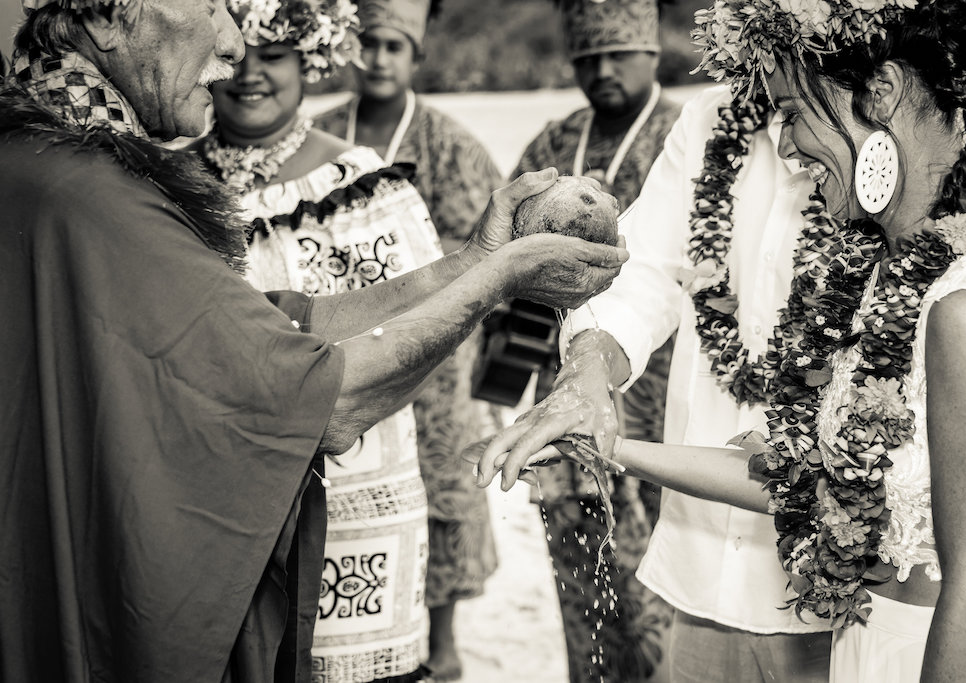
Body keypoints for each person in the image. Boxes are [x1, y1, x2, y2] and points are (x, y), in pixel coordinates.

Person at [0, 0, 628, 679]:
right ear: (105, 17)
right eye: (211, 5)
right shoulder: (92, 196)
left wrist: (477, 260)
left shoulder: (46, 163)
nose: (235, 43)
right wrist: (505, 273)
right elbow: (316, 400)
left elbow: (274, 328)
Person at [476, 0, 966, 681]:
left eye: (796, 112)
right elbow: (646, 275)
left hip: (861, 615)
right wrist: (590, 410)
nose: (791, 144)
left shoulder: (960, 248)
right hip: (707, 577)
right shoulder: (717, 125)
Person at [195, 0, 445, 678]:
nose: (249, 74)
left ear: (309, 58)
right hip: (218, 490)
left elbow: (430, 325)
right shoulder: (168, 183)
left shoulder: (365, 185)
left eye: (271, 55)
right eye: (234, 53)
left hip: (357, 477)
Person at [315, 2, 504, 678]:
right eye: (368, 42)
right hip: (341, 347)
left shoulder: (450, 141)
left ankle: (442, 650)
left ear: (416, 55)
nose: (379, 57)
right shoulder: (318, 136)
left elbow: (488, 256)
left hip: (438, 363)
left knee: (442, 494)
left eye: (395, 45)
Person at [503, 1, 680, 680]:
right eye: (587, 59)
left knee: (659, 595)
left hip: (661, 391)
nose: (602, 71)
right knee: (584, 593)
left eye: (617, 55)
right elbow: (503, 263)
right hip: (565, 386)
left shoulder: (684, 136)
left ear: (652, 50)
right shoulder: (553, 145)